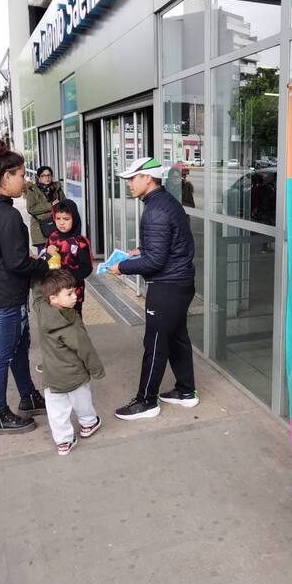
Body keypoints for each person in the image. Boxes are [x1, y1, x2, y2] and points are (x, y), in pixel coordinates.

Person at [110, 156, 199, 420]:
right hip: (180, 284)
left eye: (132, 178)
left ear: (148, 178)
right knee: (177, 338)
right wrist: (142, 249)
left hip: (168, 287)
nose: (128, 184)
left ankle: (146, 401)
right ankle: (186, 392)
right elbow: (170, 244)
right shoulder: (165, 202)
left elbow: (155, 261)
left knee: (156, 342)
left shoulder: (155, 210)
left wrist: (121, 267)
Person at [0, 138, 49, 434]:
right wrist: (44, 264)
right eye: (21, 175)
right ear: (6, 177)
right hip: (6, 295)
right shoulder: (6, 215)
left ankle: (28, 396)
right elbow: (18, 263)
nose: (25, 180)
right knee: (2, 354)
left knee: (19, 348)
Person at [32, 270, 104, 455]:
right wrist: (96, 370)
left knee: (57, 411)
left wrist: (38, 272)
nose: (75, 296)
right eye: (70, 293)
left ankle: (63, 441)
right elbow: (85, 349)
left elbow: (38, 295)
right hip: (75, 374)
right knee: (82, 401)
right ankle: (88, 423)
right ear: (54, 298)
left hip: (52, 376)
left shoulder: (42, 311)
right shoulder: (70, 324)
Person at [46, 199, 93, 315]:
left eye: (66, 219)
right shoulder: (53, 237)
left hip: (73, 292)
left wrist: (68, 279)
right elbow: (47, 261)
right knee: (56, 322)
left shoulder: (80, 242)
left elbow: (87, 267)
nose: (61, 223)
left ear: (75, 219)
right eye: (58, 219)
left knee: (74, 323)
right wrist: (48, 253)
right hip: (54, 291)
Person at [26, 165, 65, 254]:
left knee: (58, 255)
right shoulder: (32, 190)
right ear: (39, 177)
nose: (47, 178)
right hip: (40, 228)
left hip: (56, 226)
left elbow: (64, 204)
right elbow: (31, 209)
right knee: (44, 255)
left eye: (49, 175)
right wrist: (51, 205)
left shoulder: (57, 188)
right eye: (43, 176)